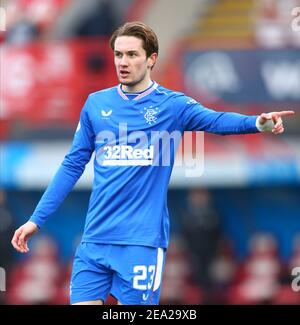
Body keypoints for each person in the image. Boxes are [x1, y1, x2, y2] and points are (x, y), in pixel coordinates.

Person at [11, 21, 294, 305]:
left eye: (132, 55)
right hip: (95, 240)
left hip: (141, 244)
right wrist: (37, 219)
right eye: (118, 54)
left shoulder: (172, 106)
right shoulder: (96, 105)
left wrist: (257, 123)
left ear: (151, 59)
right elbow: (72, 165)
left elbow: (216, 120)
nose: (123, 62)